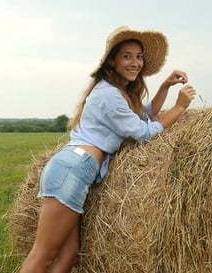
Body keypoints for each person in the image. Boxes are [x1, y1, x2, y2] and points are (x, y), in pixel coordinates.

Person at [19, 26, 196, 273]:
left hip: (78, 170)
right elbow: (144, 133)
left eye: (139, 56)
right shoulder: (110, 96)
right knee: (44, 255)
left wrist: (165, 86)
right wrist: (179, 108)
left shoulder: (116, 94)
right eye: (127, 56)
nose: (135, 62)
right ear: (112, 61)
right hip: (72, 170)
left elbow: (141, 118)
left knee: (68, 256)